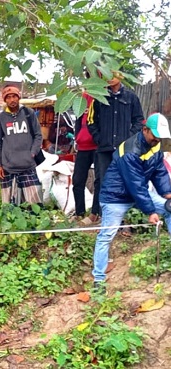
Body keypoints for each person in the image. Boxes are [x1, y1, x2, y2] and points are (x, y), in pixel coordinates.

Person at [92, 113, 171, 293]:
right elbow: (135, 185)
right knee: (107, 235)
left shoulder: (155, 147)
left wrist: (168, 194)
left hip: (138, 193)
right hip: (115, 197)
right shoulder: (129, 151)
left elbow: (159, 172)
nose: (158, 139)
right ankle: (98, 279)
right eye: (155, 135)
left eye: (160, 136)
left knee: (169, 209)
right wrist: (150, 211)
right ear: (145, 130)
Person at [87, 71, 144, 226]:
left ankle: (125, 221)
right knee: (103, 181)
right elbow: (91, 121)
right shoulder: (99, 97)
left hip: (124, 150)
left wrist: (129, 138)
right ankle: (101, 216)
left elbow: (139, 121)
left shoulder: (131, 97)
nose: (110, 77)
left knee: (126, 181)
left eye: (113, 73)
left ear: (121, 76)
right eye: (107, 73)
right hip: (104, 149)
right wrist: (99, 138)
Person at [0, 85, 43, 205]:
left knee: (35, 205)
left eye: (14, 96)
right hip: (8, 167)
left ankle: (34, 223)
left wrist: (33, 152)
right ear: (5, 100)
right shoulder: (1, 118)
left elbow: (38, 135)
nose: (12, 100)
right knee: (10, 206)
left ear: (19, 97)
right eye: (8, 97)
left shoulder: (28, 113)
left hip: (28, 165)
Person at [72, 91, 100, 224]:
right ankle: (79, 212)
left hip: (97, 146)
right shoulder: (83, 96)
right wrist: (77, 136)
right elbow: (78, 118)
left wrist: (99, 139)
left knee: (99, 181)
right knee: (77, 180)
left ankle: (95, 214)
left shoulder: (101, 94)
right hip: (83, 146)